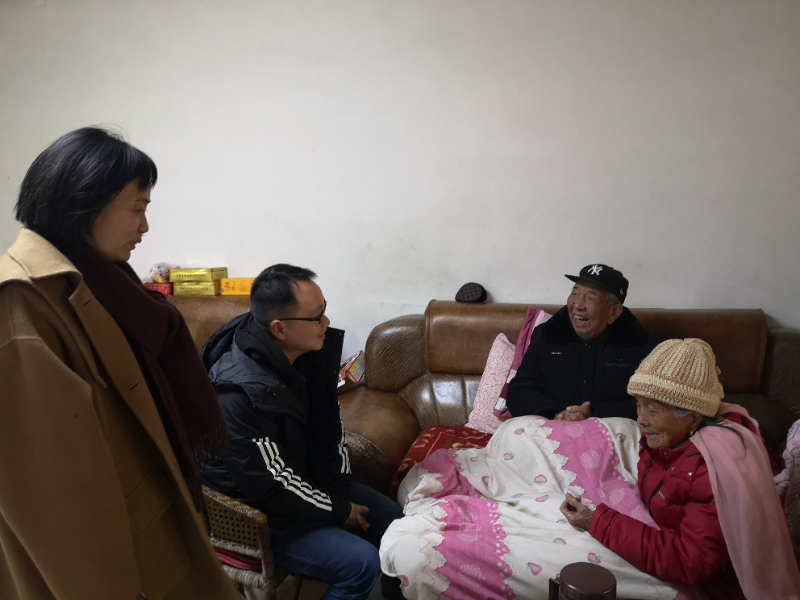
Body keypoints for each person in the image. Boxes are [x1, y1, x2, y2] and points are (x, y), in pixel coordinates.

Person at [0, 128, 240, 599]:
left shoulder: (103, 280)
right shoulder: (21, 302)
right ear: (84, 201)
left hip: (155, 520)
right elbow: (50, 495)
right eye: (137, 208)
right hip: (117, 560)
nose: (144, 227)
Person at [200, 264, 404, 600]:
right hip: (260, 514)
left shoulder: (306, 356)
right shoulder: (238, 395)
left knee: (395, 521)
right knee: (362, 564)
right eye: (316, 317)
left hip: (300, 483)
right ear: (279, 328)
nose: (326, 322)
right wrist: (339, 510)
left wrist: (340, 492)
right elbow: (271, 485)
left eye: (324, 311)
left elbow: (330, 429)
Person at [560, 338, 800, 599]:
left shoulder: (716, 467)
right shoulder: (669, 437)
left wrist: (597, 521)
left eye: (653, 410)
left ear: (693, 419)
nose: (641, 420)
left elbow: (689, 560)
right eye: (639, 405)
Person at [506, 263, 659, 421]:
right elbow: (518, 392)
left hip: (612, 431)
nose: (578, 305)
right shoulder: (548, 335)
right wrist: (557, 413)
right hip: (552, 426)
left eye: (591, 298)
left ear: (613, 312)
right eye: (575, 293)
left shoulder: (643, 346)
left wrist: (594, 412)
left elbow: (655, 403)